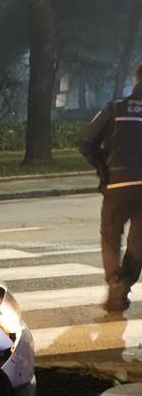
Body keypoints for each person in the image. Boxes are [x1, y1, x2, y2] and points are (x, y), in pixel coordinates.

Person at [78, 64, 142, 312]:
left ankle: (115, 283)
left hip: (119, 184)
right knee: (138, 241)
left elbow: (86, 142)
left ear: (135, 81)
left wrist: (105, 166)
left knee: (111, 236)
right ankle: (124, 285)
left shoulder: (117, 108)